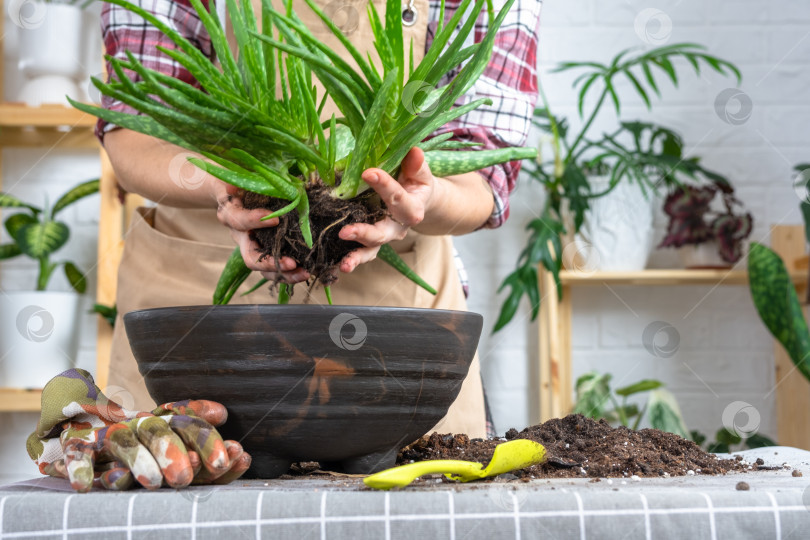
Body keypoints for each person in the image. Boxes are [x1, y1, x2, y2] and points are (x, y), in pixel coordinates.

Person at [99, 0, 541, 440]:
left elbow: (481, 174)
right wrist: (228, 184)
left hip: (388, 327)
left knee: (405, 493)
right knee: (181, 484)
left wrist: (418, 195)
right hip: (197, 303)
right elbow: (138, 129)